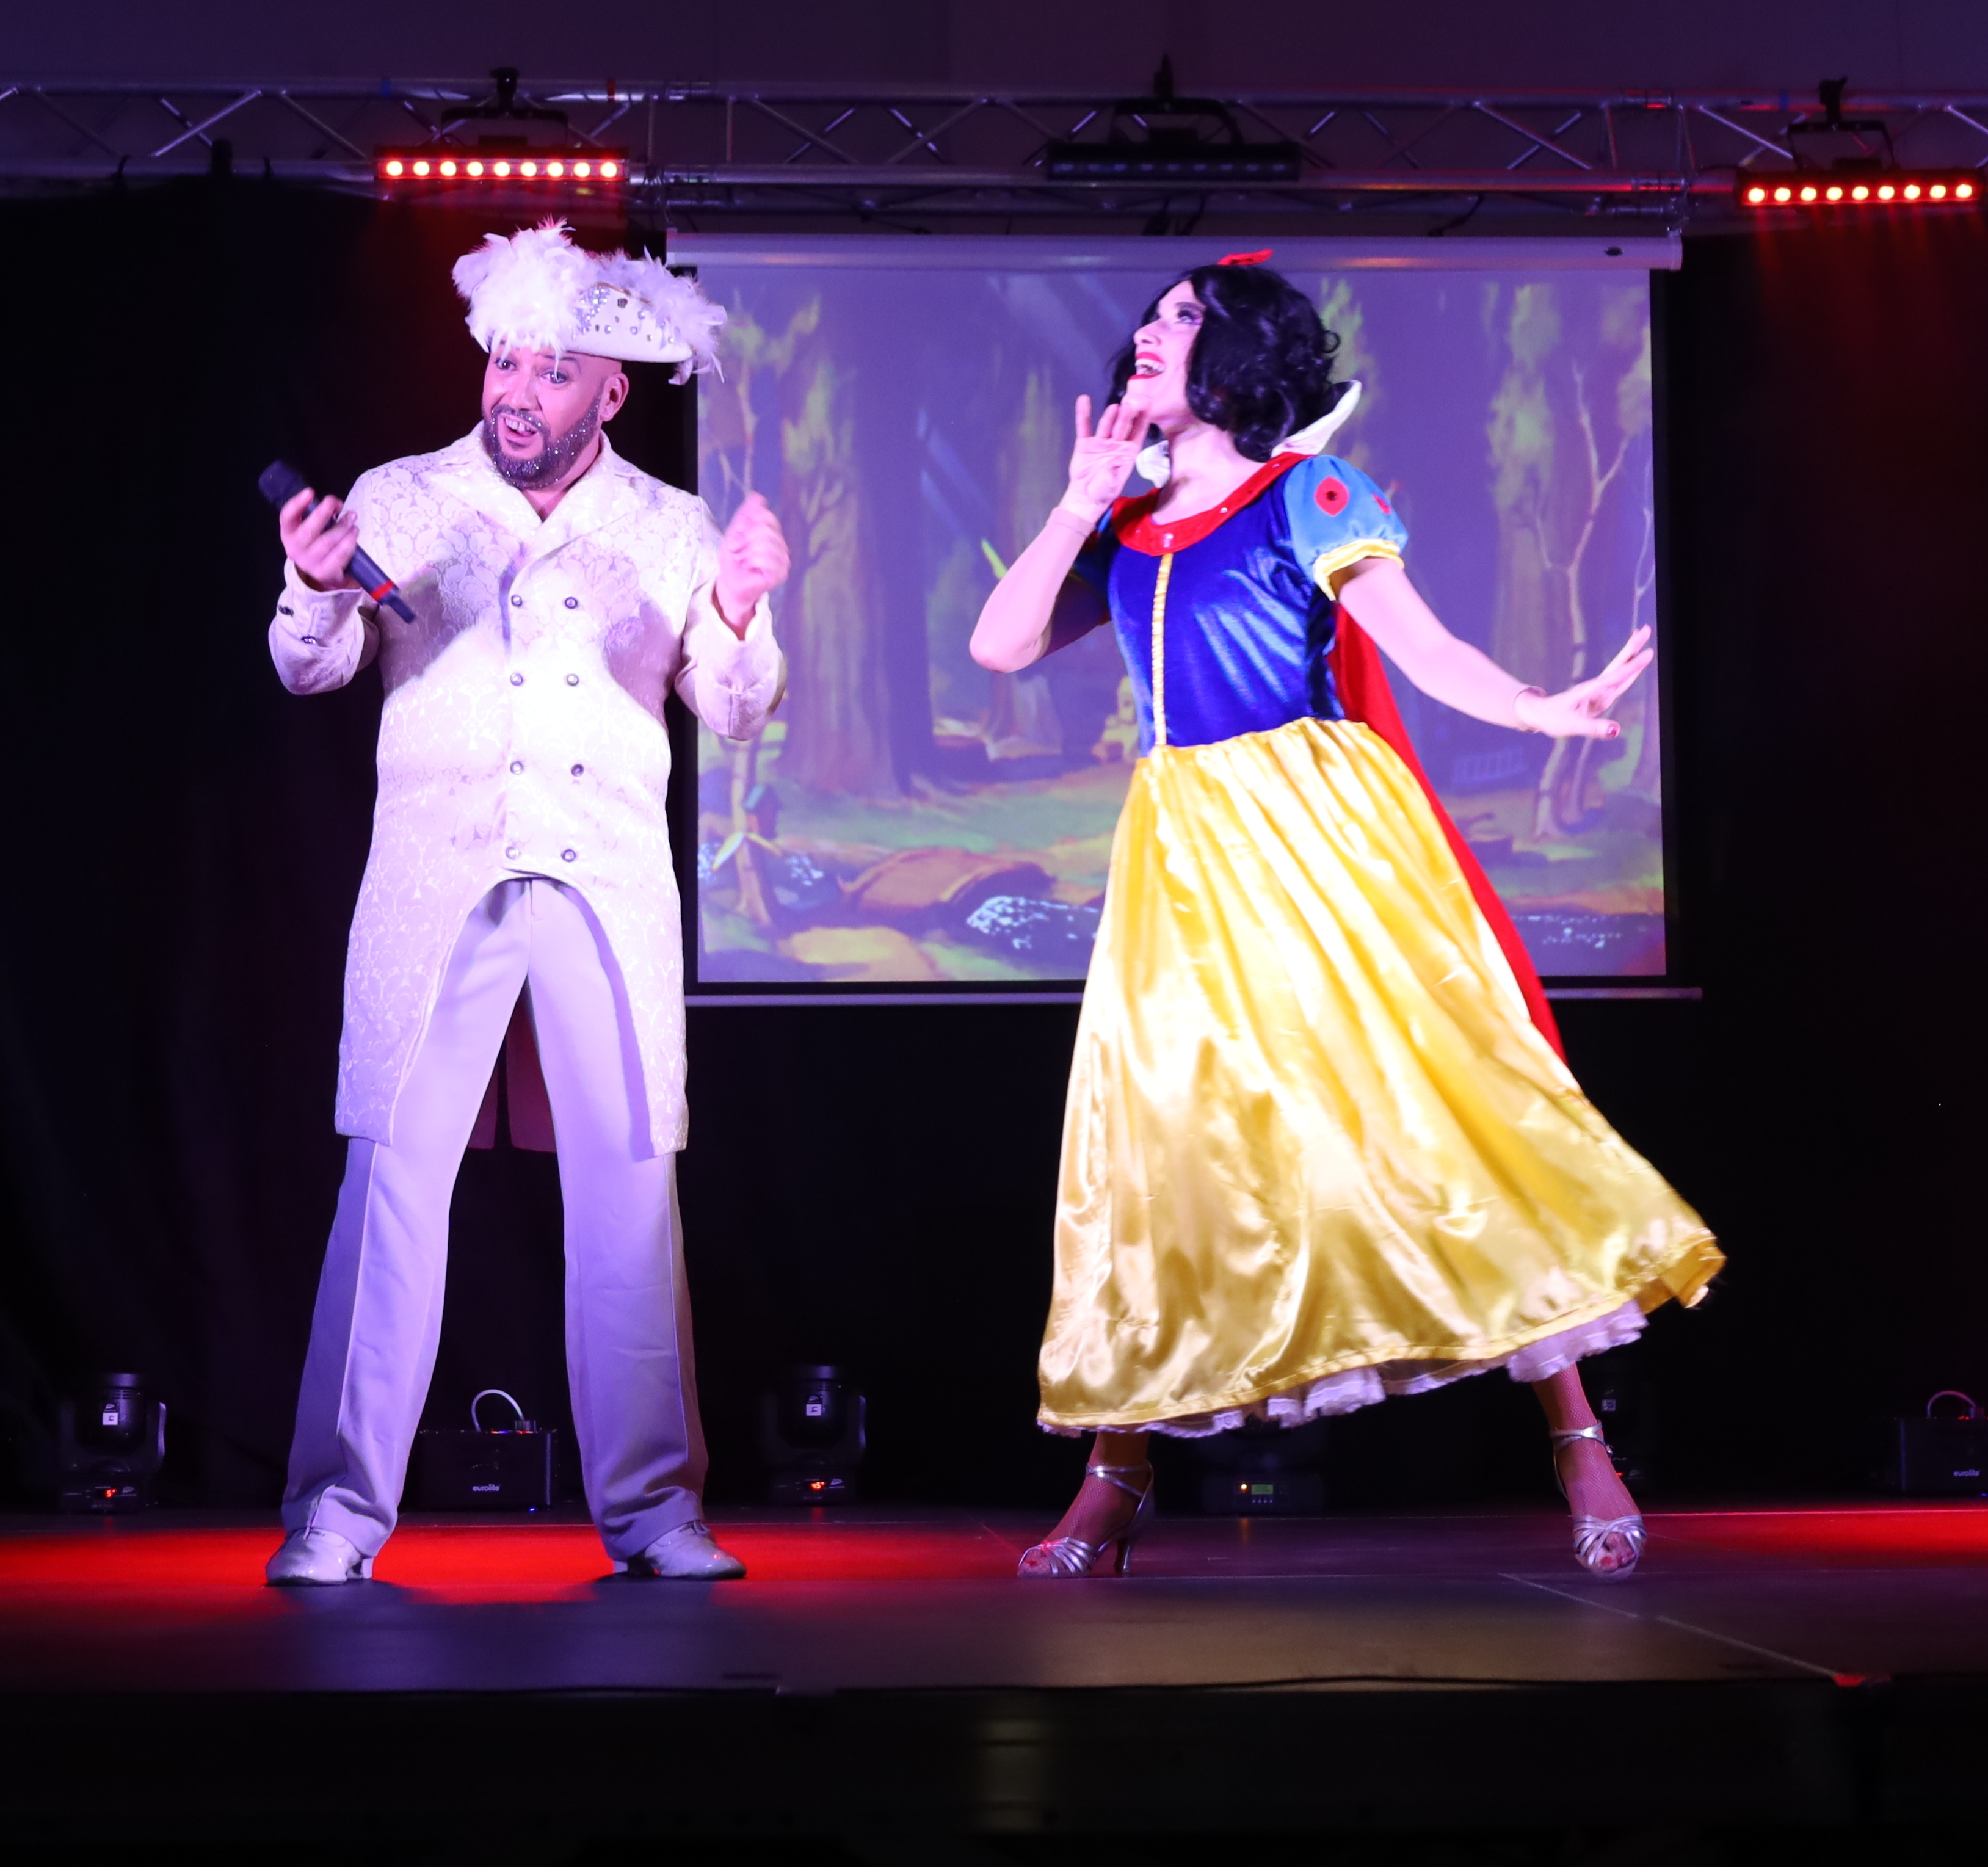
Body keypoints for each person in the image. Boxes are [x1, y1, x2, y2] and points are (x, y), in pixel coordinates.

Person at [971, 256, 1721, 1582]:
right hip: (1182, 859)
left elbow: (1423, 651)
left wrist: (1538, 707)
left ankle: (1575, 1433)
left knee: (1426, 1117)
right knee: (1162, 1149)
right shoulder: (1124, 521)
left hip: (1315, 839)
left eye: (1184, 317)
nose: (1150, 332)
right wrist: (1078, 499)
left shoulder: (1305, 496)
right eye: (1149, 316)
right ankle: (1114, 1474)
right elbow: (1000, 645)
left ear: (1240, 355)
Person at [264, 223, 789, 1585]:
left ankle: (655, 1508)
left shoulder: (668, 524)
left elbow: (736, 711)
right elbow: (310, 669)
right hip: (436, 874)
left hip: (603, 876)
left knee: (628, 1193)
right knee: (391, 1184)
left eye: (552, 372)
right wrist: (311, 587)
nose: (518, 391)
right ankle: (336, 1509)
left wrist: (738, 611)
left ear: (608, 391)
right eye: (505, 361)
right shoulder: (403, 494)